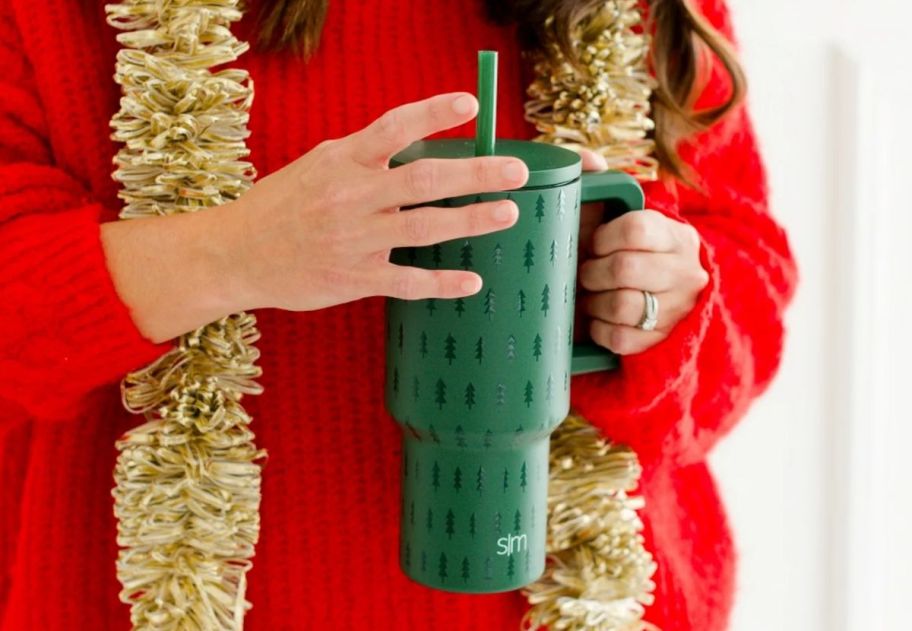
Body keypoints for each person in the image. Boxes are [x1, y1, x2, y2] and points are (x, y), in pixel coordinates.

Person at [0, 0, 797, 629]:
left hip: (594, 603)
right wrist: (235, 251)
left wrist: (661, 303)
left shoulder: (639, 9)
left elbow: (748, 295)